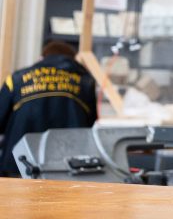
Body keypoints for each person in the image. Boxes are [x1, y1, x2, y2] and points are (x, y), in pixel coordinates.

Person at [0, 41, 99, 177]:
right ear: (73, 60)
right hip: (68, 167)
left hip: (19, 164)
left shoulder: (15, 80)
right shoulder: (85, 82)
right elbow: (91, 124)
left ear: (42, 58)